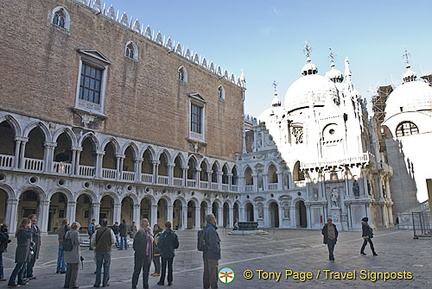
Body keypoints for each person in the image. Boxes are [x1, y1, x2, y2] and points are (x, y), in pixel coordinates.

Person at [91, 218, 115, 287]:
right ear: (107, 224)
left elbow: (93, 241)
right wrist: (109, 245)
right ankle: (105, 282)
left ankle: (97, 283)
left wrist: (94, 248)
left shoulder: (97, 231)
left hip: (98, 250)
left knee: (98, 267)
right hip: (107, 250)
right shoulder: (109, 231)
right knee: (107, 266)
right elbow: (113, 240)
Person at [8, 219, 32, 287]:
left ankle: (20, 279)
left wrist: (31, 243)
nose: (31, 225)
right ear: (26, 224)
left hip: (25, 250)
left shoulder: (24, 231)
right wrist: (30, 229)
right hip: (22, 251)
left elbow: (28, 238)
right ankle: (11, 281)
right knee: (19, 266)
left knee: (23, 266)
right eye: (29, 223)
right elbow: (29, 235)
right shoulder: (22, 231)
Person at [131, 218, 153, 289]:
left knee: (146, 272)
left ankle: (146, 285)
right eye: (145, 221)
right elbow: (135, 245)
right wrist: (139, 252)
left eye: (147, 221)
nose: (147, 223)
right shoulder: (140, 232)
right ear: (142, 223)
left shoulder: (150, 232)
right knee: (137, 270)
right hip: (140, 255)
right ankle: (134, 285)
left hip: (148, 255)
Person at [157, 221, 179, 286]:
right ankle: (170, 281)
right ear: (170, 226)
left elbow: (159, 243)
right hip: (171, 253)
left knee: (163, 267)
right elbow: (176, 245)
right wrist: (172, 247)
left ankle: (162, 281)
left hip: (164, 253)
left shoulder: (163, 234)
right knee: (170, 267)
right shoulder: (174, 234)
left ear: (165, 227)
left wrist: (161, 248)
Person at [202, 213, 221, 289]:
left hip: (206, 253)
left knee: (206, 273)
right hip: (212, 255)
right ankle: (214, 287)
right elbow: (214, 243)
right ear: (211, 220)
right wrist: (217, 252)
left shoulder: (206, 228)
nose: (215, 219)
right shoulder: (211, 230)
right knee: (213, 273)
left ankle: (206, 287)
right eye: (214, 218)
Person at [63, 222, 81, 289]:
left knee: (69, 269)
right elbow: (77, 242)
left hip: (68, 253)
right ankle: (73, 284)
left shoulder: (68, 232)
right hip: (74, 253)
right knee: (75, 269)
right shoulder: (76, 233)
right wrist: (81, 240)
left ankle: (66, 283)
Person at [26, 214, 41, 280]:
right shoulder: (29, 227)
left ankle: (30, 274)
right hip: (31, 246)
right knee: (29, 260)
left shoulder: (36, 226)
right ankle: (26, 274)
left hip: (36, 246)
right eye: (34, 218)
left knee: (33, 260)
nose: (36, 219)